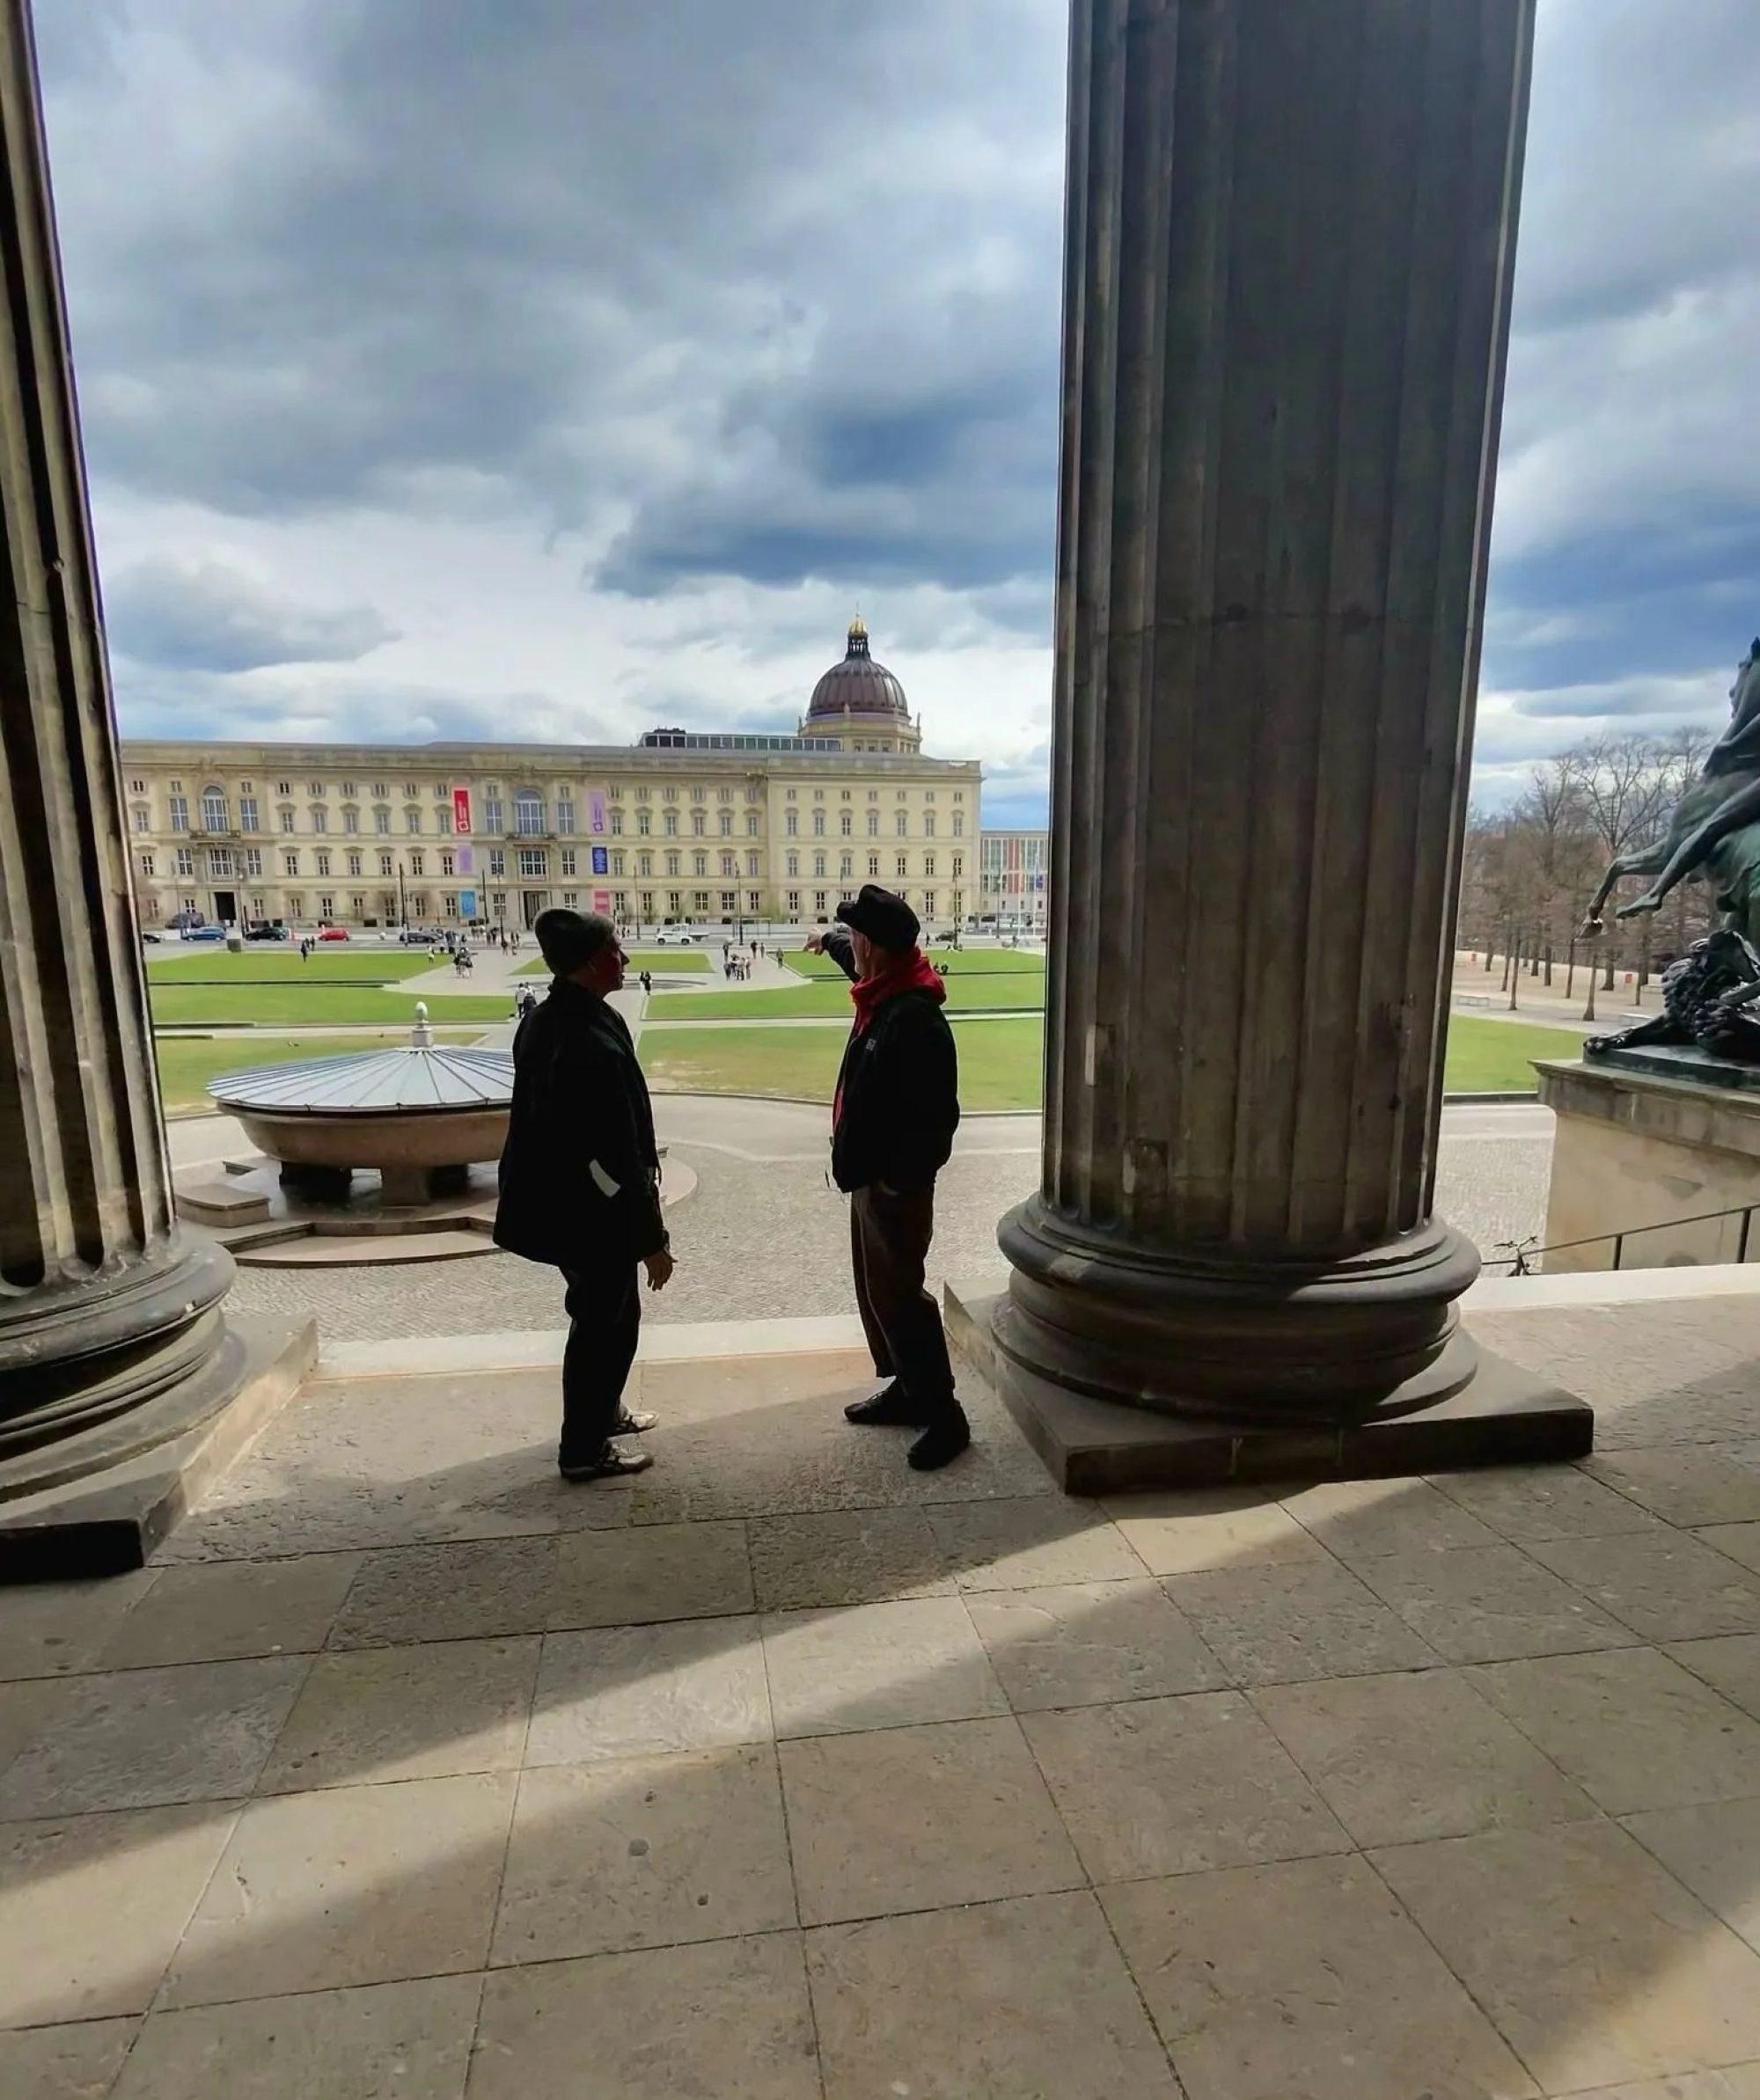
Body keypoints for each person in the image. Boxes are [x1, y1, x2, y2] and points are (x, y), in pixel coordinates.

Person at [495, 909, 672, 1481]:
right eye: (616, 949)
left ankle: (603, 1412)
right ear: (592, 963)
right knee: (603, 1325)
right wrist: (650, 1238)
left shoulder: (553, 1019)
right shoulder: (587, 1040)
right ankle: (583, 1448)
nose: (625, 957)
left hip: (567, 1204)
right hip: (589, 1213)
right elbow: (611, 1158)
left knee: (611, 1316)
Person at [807, 886, 969, 1469]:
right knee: (880, 1292)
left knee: (902, 1297)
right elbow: (851, 957)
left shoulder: (912, 1018)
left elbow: (936, 1121)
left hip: (892, 1185)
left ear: (872, 946)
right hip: (871, 1179)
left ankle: (944, 1415)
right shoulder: (887, 983)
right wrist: (827, 940)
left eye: (854, 937)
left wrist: (897, 1183)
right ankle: (907, 1388)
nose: (851, 947)